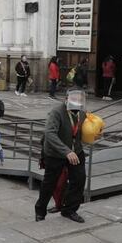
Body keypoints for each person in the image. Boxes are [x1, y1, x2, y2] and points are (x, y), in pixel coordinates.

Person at [35, 89, 87, 224]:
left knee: (79, 179)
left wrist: (94, 134)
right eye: (74, 99)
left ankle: (69, 209)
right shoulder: (57, 112)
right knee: (50, 183)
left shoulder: (82, 113)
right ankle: (40, 211)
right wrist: (66, 151)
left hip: (76, 151)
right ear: (67, 99)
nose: (77, 102)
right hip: (56, 153)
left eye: (79, 99)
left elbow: (81, 132)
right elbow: (50, 134)